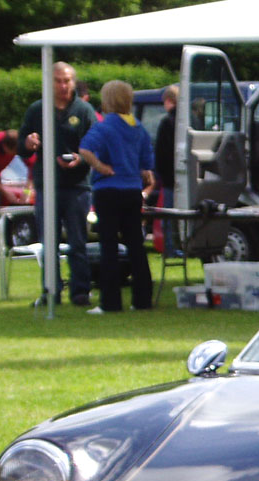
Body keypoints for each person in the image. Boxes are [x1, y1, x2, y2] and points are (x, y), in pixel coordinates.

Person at [18, 61, 99, 307]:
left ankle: (80, 291)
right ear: (49, 82)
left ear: (73, 82)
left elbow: (96, 147)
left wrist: (80, 159)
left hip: (77, 187)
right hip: (47, 185)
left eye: (67, 81)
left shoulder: (84, 111)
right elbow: (21, 144)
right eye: (58, 81)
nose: (63, 86)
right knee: (48, 242)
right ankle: (50, 291)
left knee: (77, 241)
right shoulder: (37, 110)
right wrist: (28, 142)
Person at [78, 79, 155, 313]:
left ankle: (110, 303)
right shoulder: (138, 127)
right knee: (136, 245)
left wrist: (100, 167)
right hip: (132, 191)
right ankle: (142, 300)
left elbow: (84, 149)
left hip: (108, 191)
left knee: (109, 246)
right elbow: (147, 165)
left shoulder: (105, 125)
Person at [153, 84, 180, 256]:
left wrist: (160, 174)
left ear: (168, 101)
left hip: (170, 178)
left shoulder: (167, 122)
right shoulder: (189, 119)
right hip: (187, 175)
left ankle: (170, 247)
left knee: (168, 215)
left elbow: (161, 152)